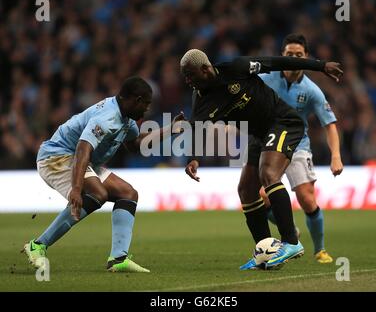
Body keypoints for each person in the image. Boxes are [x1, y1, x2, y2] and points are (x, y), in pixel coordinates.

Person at [180, 49, 342, 270]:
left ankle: (291, 242)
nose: (188, 80)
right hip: (259, 135)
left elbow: (275, 62)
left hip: (283, 121)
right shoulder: (201, 99)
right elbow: (197, 128)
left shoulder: (236, 68)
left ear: (205, 69)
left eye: (190, 75)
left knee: (268, 173)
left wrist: (321, 66)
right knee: (246, 190)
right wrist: (194, 158)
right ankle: (265, 253)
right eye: (185, 76)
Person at [23, 76, 184, 273]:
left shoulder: (126, 117)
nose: (147, 109)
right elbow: (83, 148)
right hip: (57, 157)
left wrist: (171, 130)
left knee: (128, 193)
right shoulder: (107, 117)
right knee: (97, 193)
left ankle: (118, 259)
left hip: (80, 159)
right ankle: (38, 245)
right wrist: (76, 188)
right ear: (136, 100)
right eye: (146, 104)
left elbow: (135, 145)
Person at [246, 33, 343, 264]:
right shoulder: (266, 78)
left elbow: (330, 125)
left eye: (298, 55)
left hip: (298, 145)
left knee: (307, 200)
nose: (293, 58)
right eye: (290, 55)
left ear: (306, 57)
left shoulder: (311, 91)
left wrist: (336, 156)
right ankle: (290, 232)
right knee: (261, 197)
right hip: (269, 144)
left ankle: (319, 250)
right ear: (283, 55)